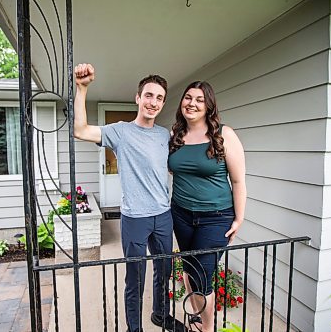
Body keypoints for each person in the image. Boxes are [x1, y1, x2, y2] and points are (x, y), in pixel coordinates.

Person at [73, 63, 186, 332]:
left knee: (165, 271)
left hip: (163, 215)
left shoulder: (164, 135)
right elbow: (80, 130)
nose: (154, 102)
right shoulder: (120, 131)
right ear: (138, 98)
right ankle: (134, 328)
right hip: (135, 217)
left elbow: (171, 166)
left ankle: (160, 314)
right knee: (135, 278)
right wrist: (82, 88)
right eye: (149, 95)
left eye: (159, 98)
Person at [168, 81, 246, 332]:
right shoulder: (176, 136)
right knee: (190, 271)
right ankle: (197, 317)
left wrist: (239, 218)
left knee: (202, 276)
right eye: (188, 98)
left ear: (209, 105)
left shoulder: (224, 134)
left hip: (216, 217)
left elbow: (238, 180)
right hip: (180, 213)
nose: (192, 103)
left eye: (199, 99)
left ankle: (207, 327)